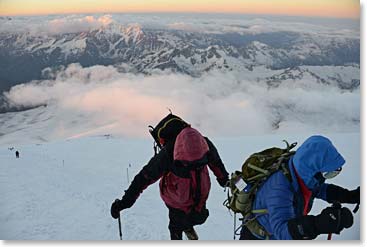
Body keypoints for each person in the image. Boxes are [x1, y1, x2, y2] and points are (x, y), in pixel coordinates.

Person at [111, 114, 229, 240]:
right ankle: (188, 225)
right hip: (201, 195)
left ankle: (181, 230)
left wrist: (124, 203)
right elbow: (217, 164)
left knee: (175, 226)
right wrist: (224, 180)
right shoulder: (204, 142)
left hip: (177, 200)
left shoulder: (168, 153)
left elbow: (143, 178)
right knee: (196, 215)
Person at [240, 135, 360, 240]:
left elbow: (319, 189)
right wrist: (319, 224)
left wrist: (350, 196)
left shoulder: (300, 174)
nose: (327, 177)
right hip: (259, 238)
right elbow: (282, 232)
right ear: (311, 170)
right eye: (328, 173)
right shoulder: (279, 189)